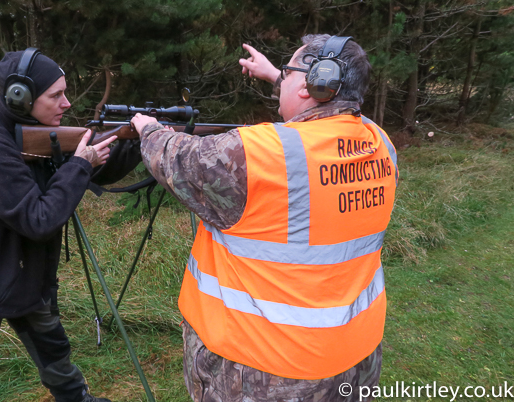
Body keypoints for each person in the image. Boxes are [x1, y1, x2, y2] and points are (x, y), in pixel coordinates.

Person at [131, 34, 399, 401]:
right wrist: (278, 76)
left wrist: (147, 128)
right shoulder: (380, 143)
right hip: (355, 355)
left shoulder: (259, 153)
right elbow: (337, 109)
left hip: (263, 367)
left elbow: (179, 158)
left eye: (289, 73)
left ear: (314, 84)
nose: (283, 79)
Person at [0, 49, 115, 402]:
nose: (65, 102)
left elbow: (91, 168)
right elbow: (39, 219)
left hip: (25, 279)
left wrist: (148, 140)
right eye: (55, 95)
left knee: (57, 360)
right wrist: (80, 166)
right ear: (20, 95)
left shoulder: (35, 134)